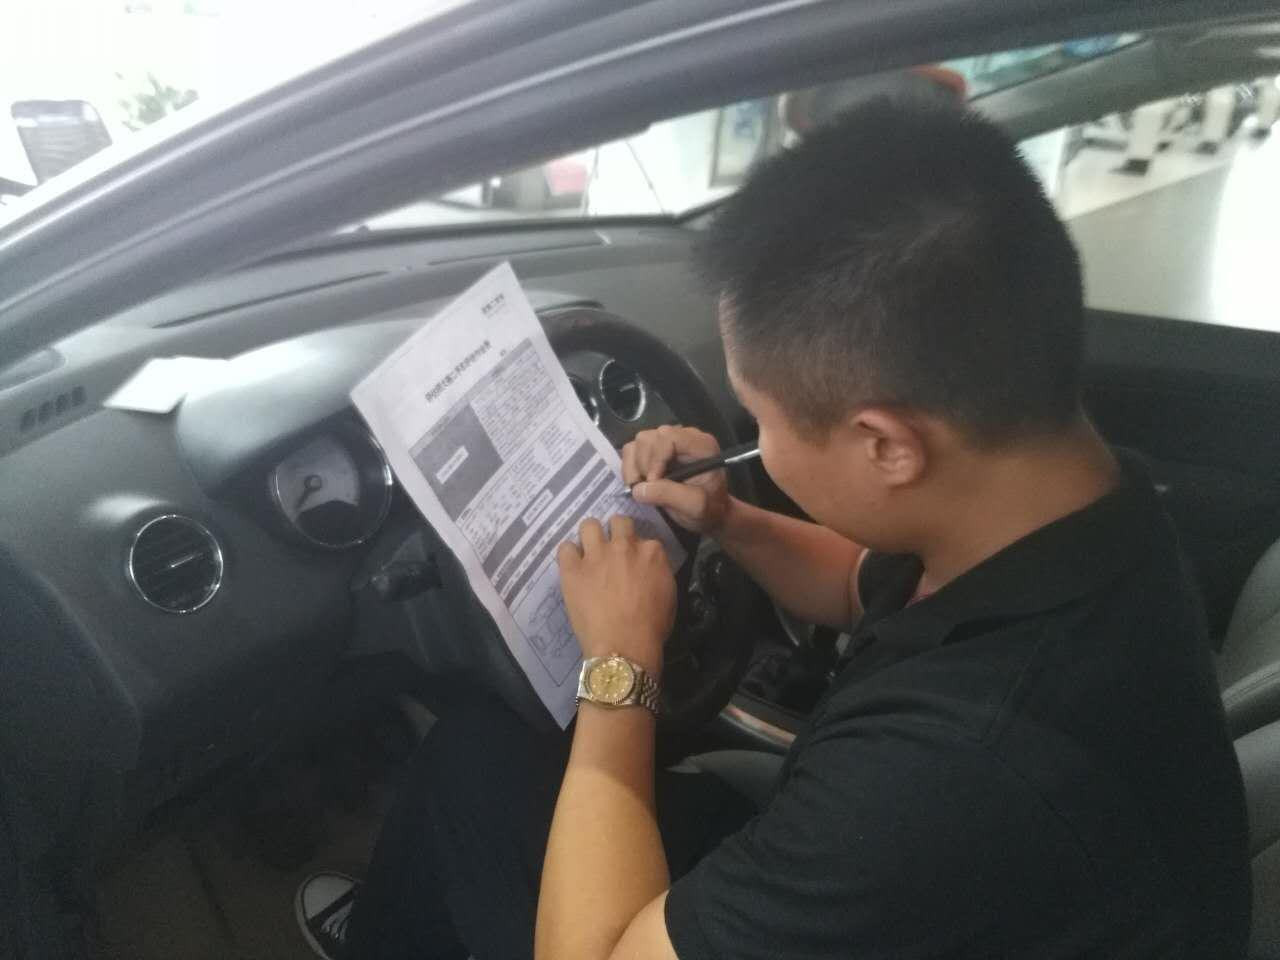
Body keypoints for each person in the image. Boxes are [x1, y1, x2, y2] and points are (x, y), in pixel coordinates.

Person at [298, 97, 1250, 959]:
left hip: (891, 860)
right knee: (477, 757)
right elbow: (862, 583)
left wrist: (621, 662)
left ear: (887, 445)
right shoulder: (1085, 506)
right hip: (943, 892)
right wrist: (731, 519)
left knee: (478, 776)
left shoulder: (954, 770)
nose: (748, 442)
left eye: (762, 420)